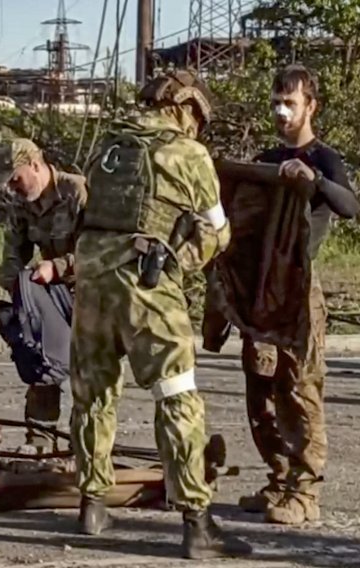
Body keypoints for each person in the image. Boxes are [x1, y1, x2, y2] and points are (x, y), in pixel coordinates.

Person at [71, 69, 252, 559]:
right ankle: (198, 523)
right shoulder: (188, 154)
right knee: (176, 396)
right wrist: (183, 261)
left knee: (93, 392)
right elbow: (218, 230)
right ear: (185, 108)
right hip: (146, 288)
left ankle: (92, 503)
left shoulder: (107, 147)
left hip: (90, 282)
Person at [237, 65, 359, 525]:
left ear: (312, 105)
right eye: (275, 102)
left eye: (290, 102)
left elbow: (349, 207)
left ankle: (306, 491)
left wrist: (314, 180)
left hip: (300, 290)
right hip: (261, 288)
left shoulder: (324, 158)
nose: (281, 111)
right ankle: (278, 477)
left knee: (301, 389)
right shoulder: (266, 157)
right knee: (260, 390)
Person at [0, 138, 87, 452]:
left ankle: (85, 443)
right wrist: (18, 287)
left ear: (35, 165)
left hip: (91, 292)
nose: (13, 187)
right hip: (52, 294)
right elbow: (12, 254)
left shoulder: (77, 193)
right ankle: (40, 439)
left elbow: (101, 251)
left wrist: (58, 267)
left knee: (91, 375)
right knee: (40, 361)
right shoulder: (22, 203)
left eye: (16, 178)